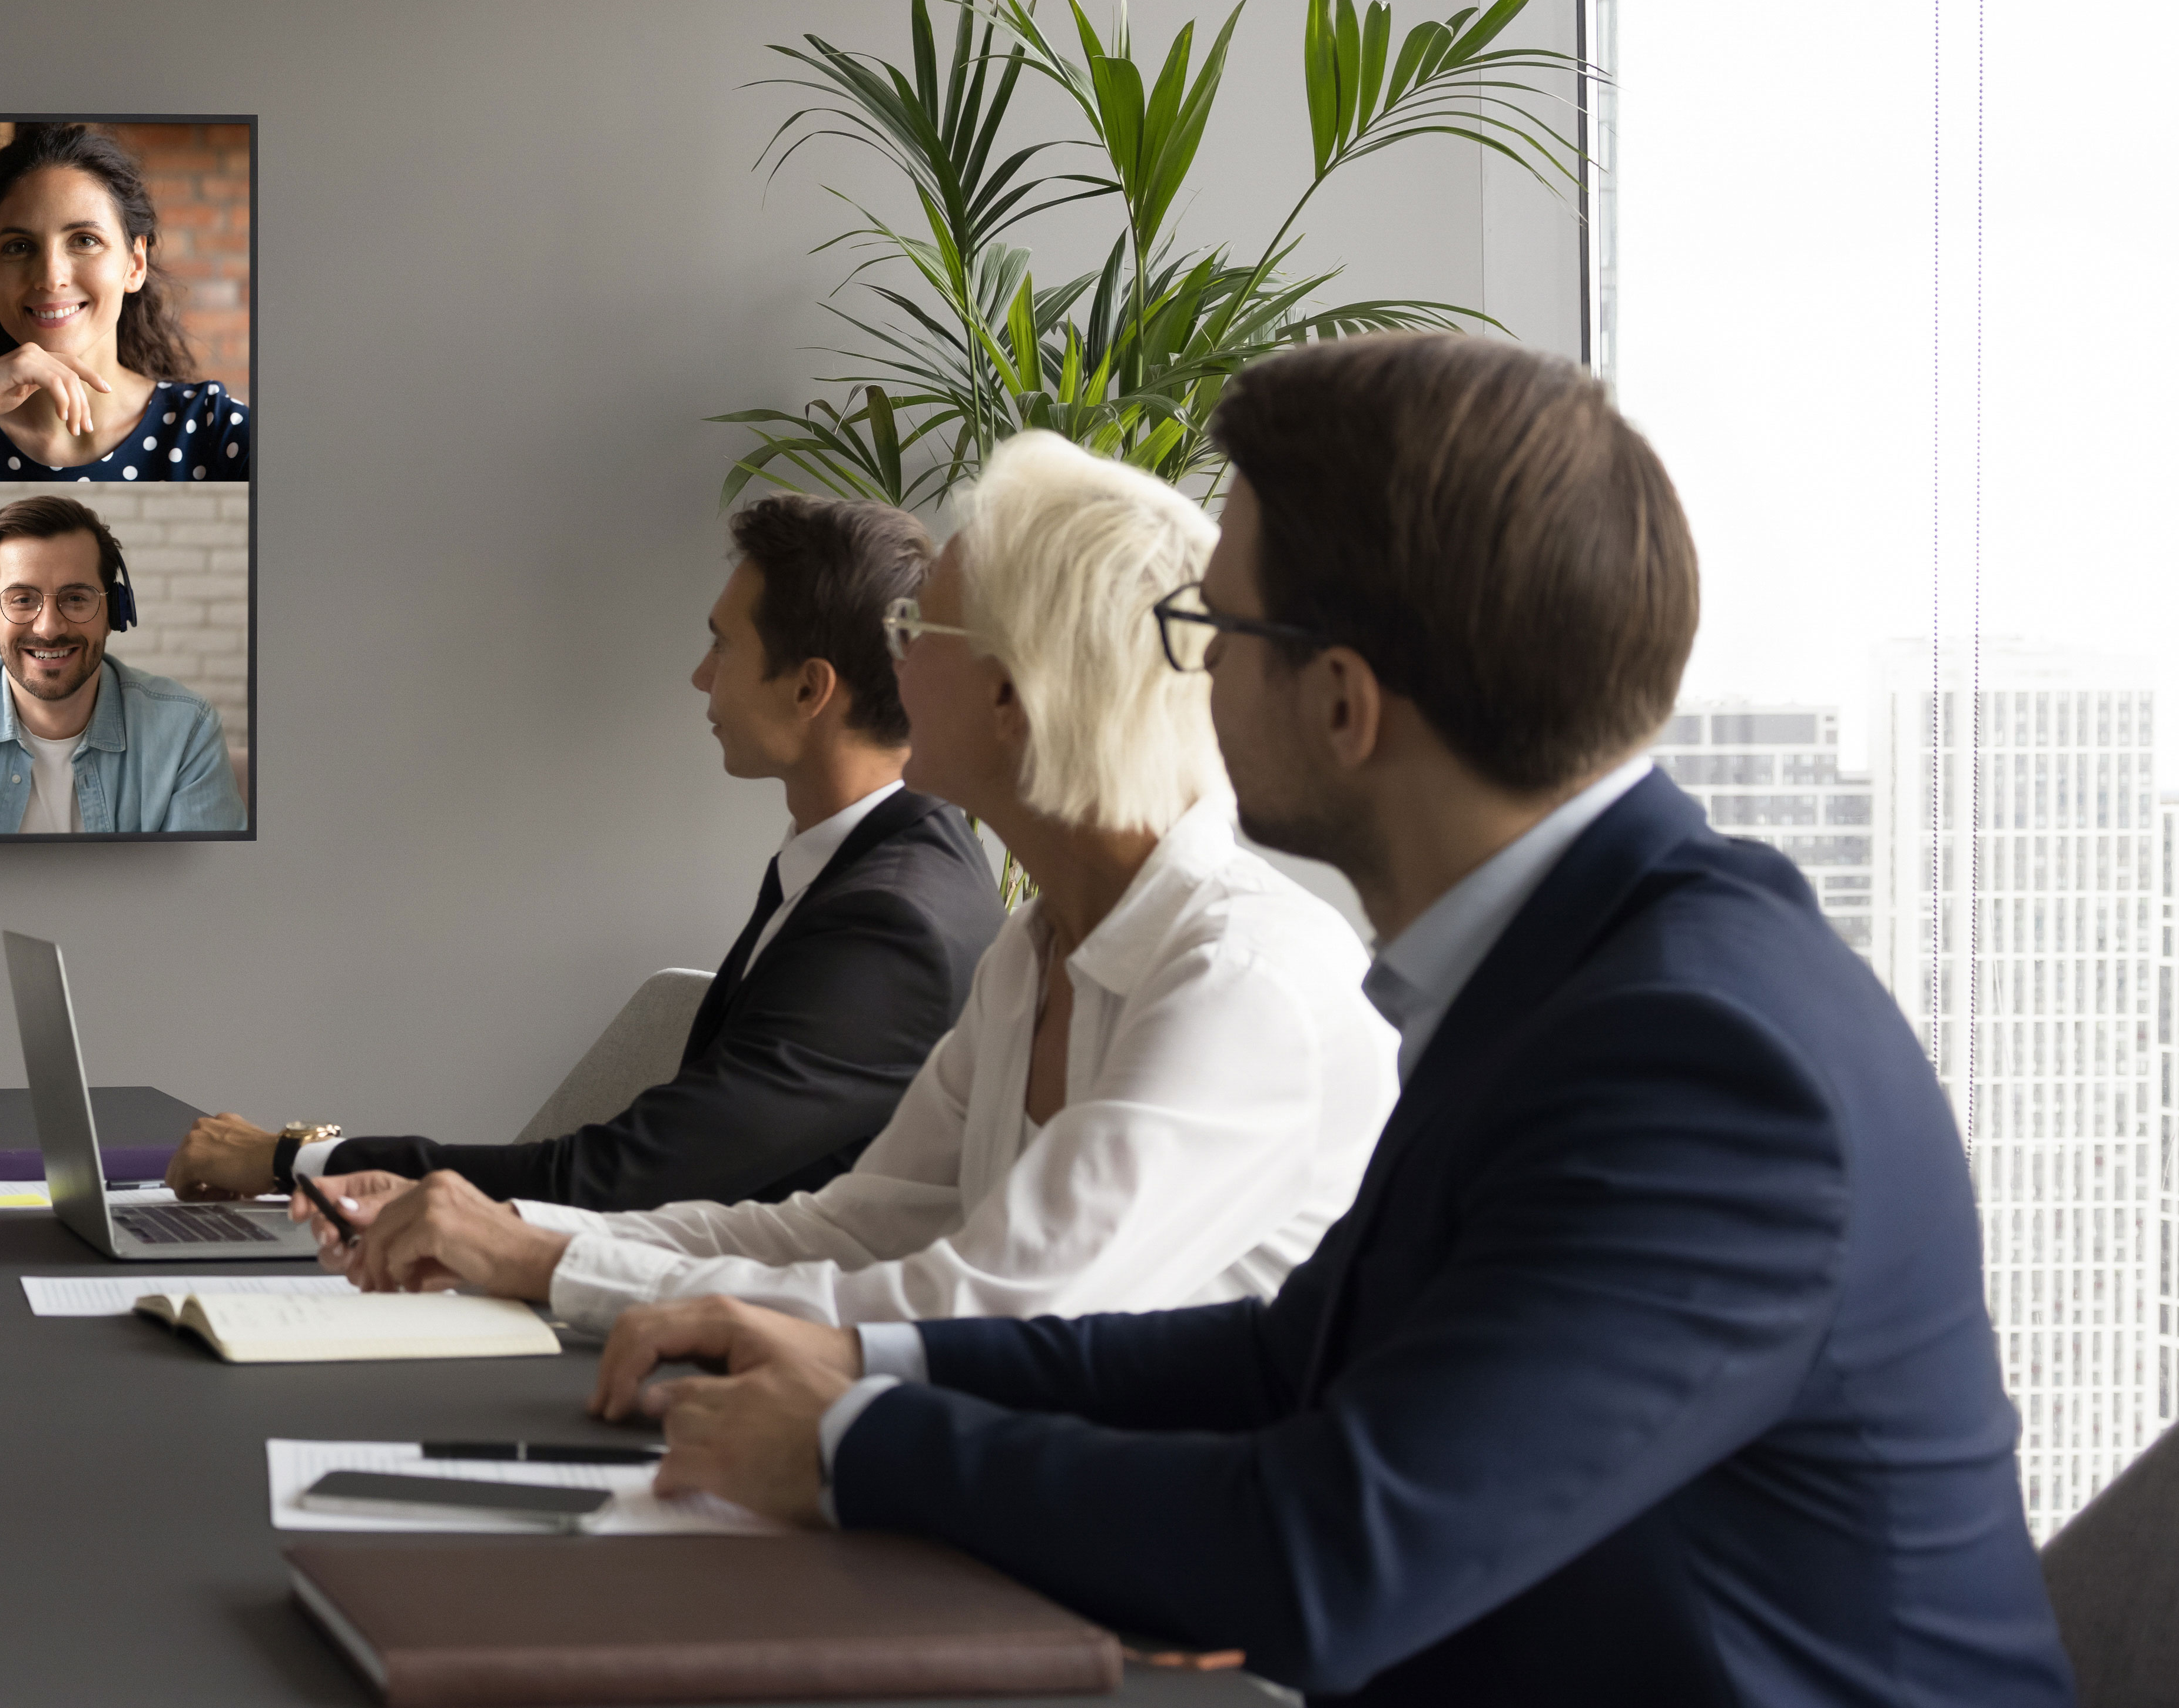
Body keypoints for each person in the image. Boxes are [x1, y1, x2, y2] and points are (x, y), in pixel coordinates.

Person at [608, 340, 2170, 1708]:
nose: (1181, 677)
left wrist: (853, 1446)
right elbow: (1290, 1362)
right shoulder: (1576, 965)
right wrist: (866, 1360)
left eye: (1209, 629)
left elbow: (1328, 1553)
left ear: (1343, 705)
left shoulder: (1701, 1055)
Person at [307, 433, 1394, 1342]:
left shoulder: (1239, 981)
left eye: (918, 631)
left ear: (1015, 696)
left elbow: (992, 1308)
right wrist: (510, 1232)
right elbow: (843, 1231)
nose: (891, 665)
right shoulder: (1032, 954)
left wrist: (543, 1261)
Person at [173, 491, 999, 1213]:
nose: (700, 677)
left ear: (809, 688)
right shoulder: (860, 865)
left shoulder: (890, 924)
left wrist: (293, 1160)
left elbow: (620, 1178)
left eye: (722, 646)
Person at [0, 124, 250, 483]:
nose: (50, 277)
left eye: (84, 240)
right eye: (19, 247)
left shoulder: (216, 430)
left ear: (135, 265)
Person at [0, 493, 241, 835]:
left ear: (115, 611)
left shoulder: (187, 732)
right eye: (22, 599)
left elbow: (206, 885)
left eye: (76, 598)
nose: (49, 628)